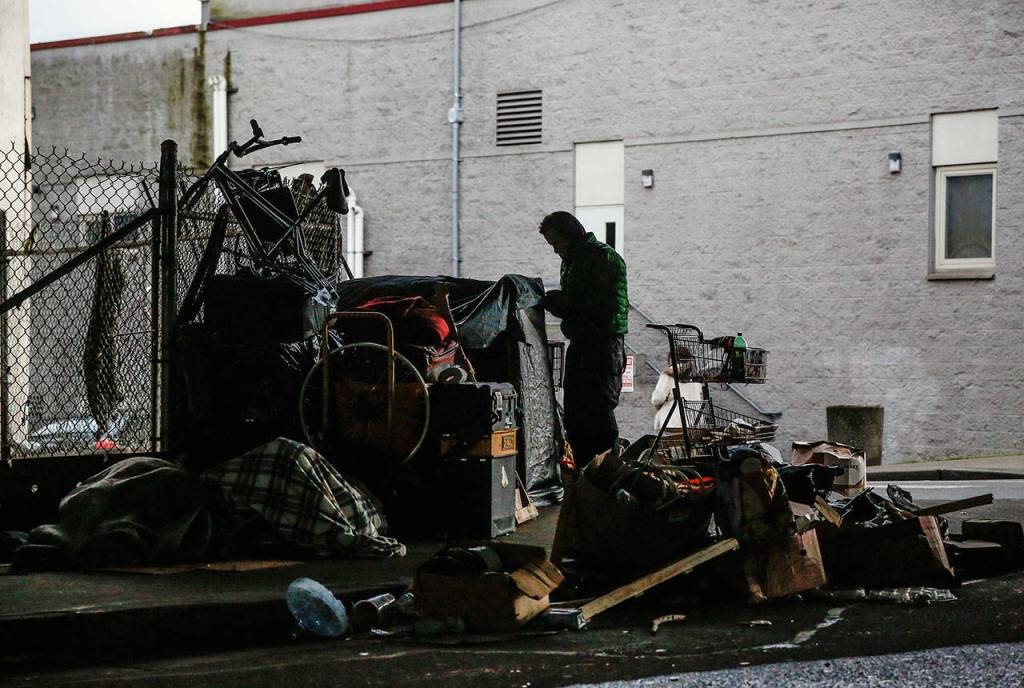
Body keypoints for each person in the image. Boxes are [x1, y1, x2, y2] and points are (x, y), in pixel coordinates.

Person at [538, 211, 628, 468]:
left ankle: (604, 478)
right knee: (576, 418)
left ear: (571, 234)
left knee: (598, 415)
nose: (556, 251)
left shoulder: (605, 258)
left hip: (602, 347)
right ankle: (584, 480)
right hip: (580, 345)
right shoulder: (572, 261)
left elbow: (609, 309)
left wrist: (567, 305)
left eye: (557, 243)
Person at [651, 353, 704, 431]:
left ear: (670, 360)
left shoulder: (667, 376)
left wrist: (658, 405)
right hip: (695, 426)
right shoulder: (696, 379)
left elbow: (657, 399)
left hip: (673, 425)